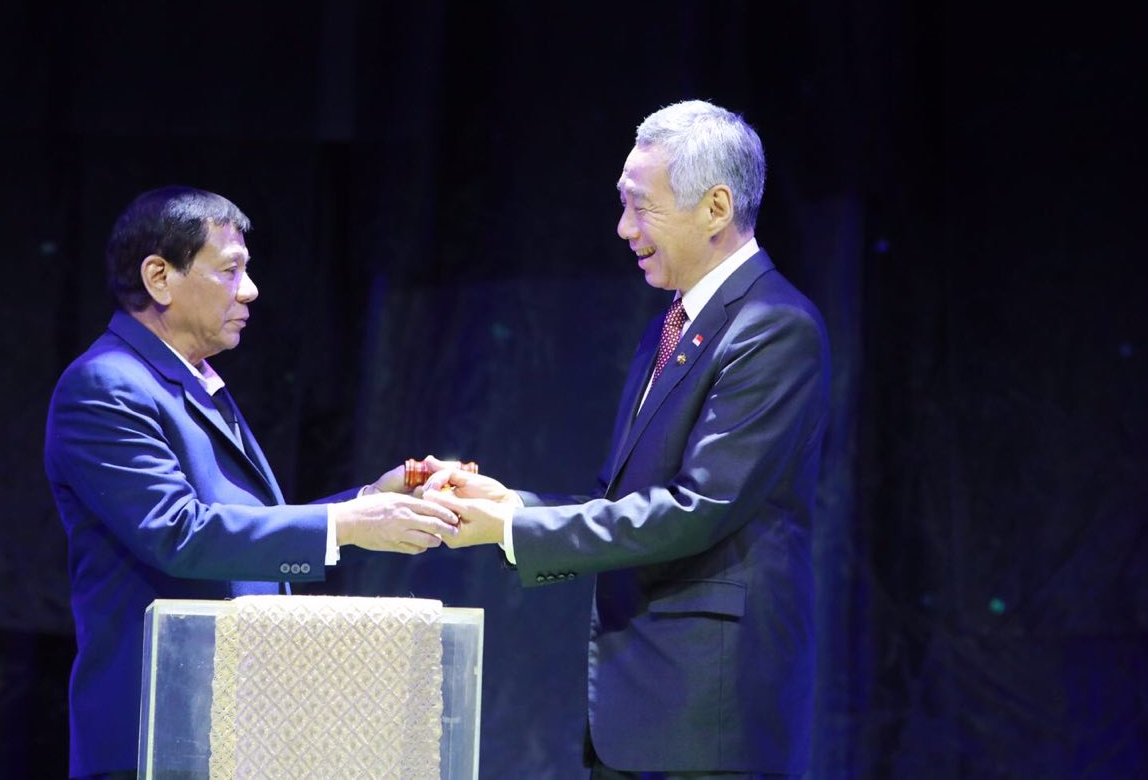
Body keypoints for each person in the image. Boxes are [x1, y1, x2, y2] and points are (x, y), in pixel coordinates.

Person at [425, 101, 831, 778]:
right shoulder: (670, 324)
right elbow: (626, 501)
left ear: (715, 207)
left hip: (709, 718)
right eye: (623, 205)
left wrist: (512, 531)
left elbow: (697, 509)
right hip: (641, 707)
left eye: (641, 207)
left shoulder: (773, 327)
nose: (623, 228)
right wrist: (512, 506)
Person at [44, 185, 460, 780]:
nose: (250, 290)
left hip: (236, 728)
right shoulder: (107, 385)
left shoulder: (192, 381)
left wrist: (371, 502)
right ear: (159, 277)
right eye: (230, 270)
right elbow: (179, 533)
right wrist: (348, 524)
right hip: (160, 733)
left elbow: (251, 534)